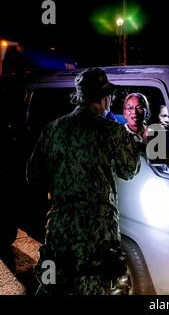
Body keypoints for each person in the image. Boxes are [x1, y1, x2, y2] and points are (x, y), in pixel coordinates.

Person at [27, 68, 141, 295]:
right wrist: (134, 141)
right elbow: (129, 171)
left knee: (53, 288)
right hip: (97, 240)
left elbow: (33, 176)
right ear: (103, 98)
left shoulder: (53, 129)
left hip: (61, 233)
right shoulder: (112, 131)